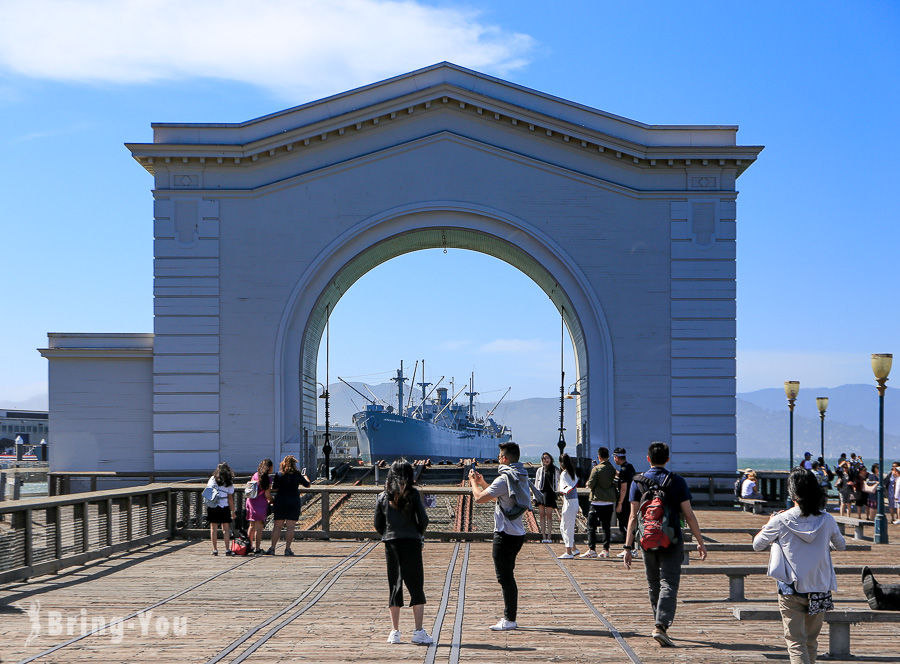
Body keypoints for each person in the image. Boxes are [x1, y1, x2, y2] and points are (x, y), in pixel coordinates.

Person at [753, 468, 846, 664]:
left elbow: (757, 545)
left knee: (796, 641)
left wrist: (768, 524)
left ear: (792, 492)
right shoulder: (827, 519)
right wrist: (823, 544)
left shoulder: (780, 519)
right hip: (820, 586)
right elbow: (841, 545)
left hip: (791, 587)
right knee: (811, 641)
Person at [623, 441, 707, 647]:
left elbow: (633, 517)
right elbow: (689, 515)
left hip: (646, 539)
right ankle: (661, 626)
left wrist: (627, 547)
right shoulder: (676, 481)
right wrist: (700, 541)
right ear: (668, 459)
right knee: (669, 582)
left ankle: (658, 623)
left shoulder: (637, 482)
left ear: (648, 458)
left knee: (653, 583)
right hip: (672, 539)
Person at [469, 442, 530, 631]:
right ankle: (510, 617)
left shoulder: (504, 478)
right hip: (517, 533)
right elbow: (499, 496)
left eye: (499, 455)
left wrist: (472, 481)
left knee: (505, 578)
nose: (497, 458)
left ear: (504, 458)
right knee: (508, 576)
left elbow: (479, 498)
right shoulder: (520, 475)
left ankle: (509, 619)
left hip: (504, 534)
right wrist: (482, 483)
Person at [374, 459, 433, 645]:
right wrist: (418, 534)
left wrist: (387, 533)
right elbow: (424, 520)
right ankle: (418, 631)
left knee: (395, 584)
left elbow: (377, 524)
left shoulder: (383, 496)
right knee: (416, 584)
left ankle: (395, 632)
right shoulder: (413, 494)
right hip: (412, 543)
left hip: (391, 543)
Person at [269, 455, 311, 556]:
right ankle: (287, 549)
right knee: (290, 527)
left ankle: (273, 548)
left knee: (277, 526)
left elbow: (274, 488)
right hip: (293, 501)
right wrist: (305, 476)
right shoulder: (297, 475)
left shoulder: (279, 474)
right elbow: (308, 484)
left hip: (281, 501)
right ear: (294, 464)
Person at [582, 447, 615, 559]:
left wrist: (587, 483)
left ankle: (592, 549)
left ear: (599, 457)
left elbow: (590, 484)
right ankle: (605, 549)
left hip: (597, 501)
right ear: (608, 456)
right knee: (606, 527)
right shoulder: (612, 469)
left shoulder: (596, 469)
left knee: (591, 526)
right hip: (609, 501)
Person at [206, 462, 236, 556]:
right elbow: (230, 497)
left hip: (213, 505)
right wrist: (232, 511)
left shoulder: (212, 479)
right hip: (224, 505)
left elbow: (208, 491)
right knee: (226, 529)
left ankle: (215, 549)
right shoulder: (228, 481)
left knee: (213, 528)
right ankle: (227, 549)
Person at [246, 458, 274, 554]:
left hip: (251, 501)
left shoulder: (255, 475)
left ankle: (249, 546)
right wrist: (272, 500)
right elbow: (267, 494)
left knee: (251, 526)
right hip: (260, 503)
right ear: (269, 467)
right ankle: (257, 548)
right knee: (259, 527)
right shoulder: (268, 479)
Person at [613, 447, 636, 555]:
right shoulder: (629, 467)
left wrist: (620, 503)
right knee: (630, 523)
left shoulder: (623, 471)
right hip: (632, 499)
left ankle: (629, 548)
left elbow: (623, 489)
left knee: (624, 525)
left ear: (616, 457)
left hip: (625, 501)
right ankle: (633, 548)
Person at [557, 453, 580, 559]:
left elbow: (566, 488)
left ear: (561, 463)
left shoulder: (564, 474)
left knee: (567, 527)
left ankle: (569, 552)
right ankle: (574, 549)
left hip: (570, 501)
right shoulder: (572, 473)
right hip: (573, 501)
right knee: (564, 526)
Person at [533, 452, 559, 543]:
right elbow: (536, 484)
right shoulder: (540, 470)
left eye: (547, 458)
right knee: (541, 516)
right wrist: (534, 497)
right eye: (544, 458)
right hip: (541, 493)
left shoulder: (555, 470)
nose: (546, 460)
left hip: (550, 494)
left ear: (551, 459)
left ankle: (549, 536)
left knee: (549, 516)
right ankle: (543, 535)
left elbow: (557, 482)